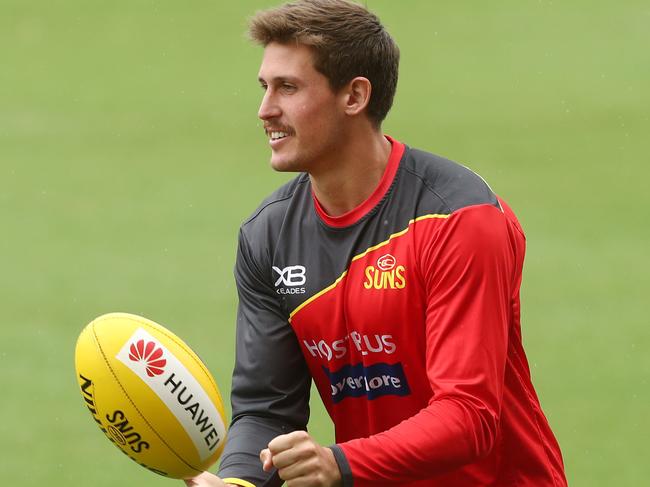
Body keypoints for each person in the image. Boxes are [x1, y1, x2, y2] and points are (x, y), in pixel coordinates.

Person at [186, 0, 567, 486]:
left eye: (288, 87)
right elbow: (265, 409)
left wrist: (338, 464)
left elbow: (469, 416)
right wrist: (239, 481)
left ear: (355, 96)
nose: (265, 110)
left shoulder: (458, 219)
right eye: (265, 87)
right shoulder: (268, 236)